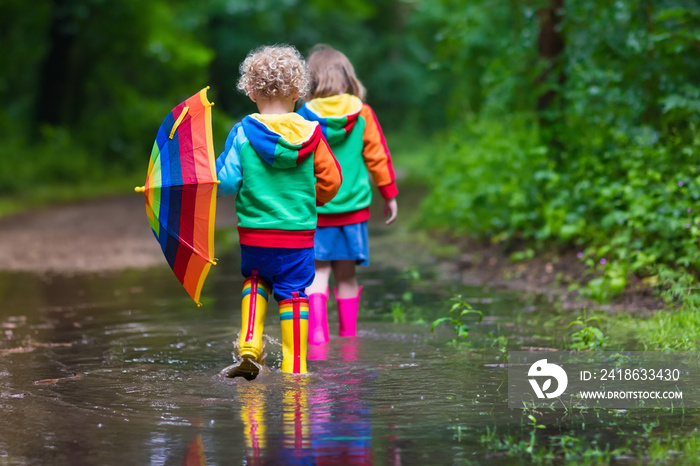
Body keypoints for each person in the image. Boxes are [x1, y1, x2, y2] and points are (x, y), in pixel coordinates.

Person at [216, 45, 342, 376]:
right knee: (294, 293)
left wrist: (218, 168)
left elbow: (227, 182)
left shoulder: (242, 132)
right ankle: (295, 364)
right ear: (298, 92)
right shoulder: (312, 134)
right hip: (297, 236)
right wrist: (313, 200)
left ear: (252, 90)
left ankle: (249, 343)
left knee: (256, 279)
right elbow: (332, 181)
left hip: (255, 235)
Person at [297, 44, 398, 347]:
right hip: (353, 209)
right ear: (347, 77)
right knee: (346, 277)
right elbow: (377, 156)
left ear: (311, 81)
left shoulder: (303, 115)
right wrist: (389, 194)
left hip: (316, 209)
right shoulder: (363, 113)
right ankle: (349, 340)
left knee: (317, 274)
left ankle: (316, 336)